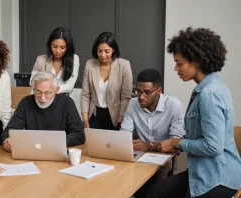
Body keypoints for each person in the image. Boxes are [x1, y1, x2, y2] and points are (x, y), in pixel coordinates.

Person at [148, 27, 241, 198]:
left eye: (179, 63)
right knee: (156, 192)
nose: (176, 68)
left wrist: (178, 143)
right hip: (202, 169)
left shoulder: (209, 94)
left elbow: (213, 146)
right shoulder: (208, 87)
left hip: (218, 177)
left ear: (196, 60)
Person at [121, 68, 185, 198]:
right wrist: (124, 143)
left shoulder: (173, 105)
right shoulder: (133, 104)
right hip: (138, 155)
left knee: (152, 191)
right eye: (138, 91)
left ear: (159, 91)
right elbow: (124, 134)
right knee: (122, 182)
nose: (141, 96)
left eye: (147, 92)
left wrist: (149, 145)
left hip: (163, 157)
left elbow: (176, 144)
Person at [1, 71, 85, 152]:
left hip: (57, 150)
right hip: (33, 151)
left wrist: (53, 143)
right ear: (33, 89)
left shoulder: (67, 102)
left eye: (47, 93)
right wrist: (7, 140)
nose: (42, 98)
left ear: (56, 90)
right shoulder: (25, 102)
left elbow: (79, 134)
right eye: (38, 92)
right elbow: (8, 131)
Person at [81, 32, 132, 130]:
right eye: (99, 51)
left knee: (113, 145)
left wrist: (121, 119)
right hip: (94, 115)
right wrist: (85, 120)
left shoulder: (124, 65)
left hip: (115, 117)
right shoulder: (90, 64)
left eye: (107, 51)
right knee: (93, 144)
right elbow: (85, 94)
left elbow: (126, 97)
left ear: (113, 50)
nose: (102, 55)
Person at [30, 27, 79, 97]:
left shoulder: (74, 59)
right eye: (54, 46)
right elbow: (32, 82)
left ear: (68, 47)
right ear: (50, 45)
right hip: (43, 98)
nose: (58, 51)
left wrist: (49, 89)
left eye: (62, 47)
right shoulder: (40, 59)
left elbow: (69, 86)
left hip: (64, 99)